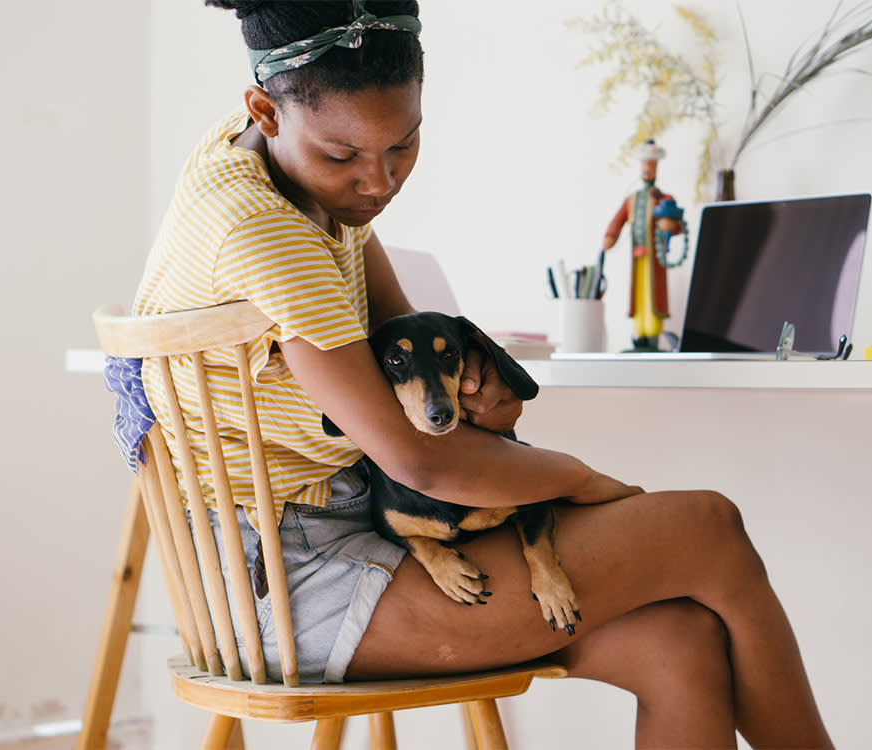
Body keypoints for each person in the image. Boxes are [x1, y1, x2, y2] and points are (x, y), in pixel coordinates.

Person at [131, 2, 834, 747]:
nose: (379, 183)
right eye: (345, 155)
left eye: (403, 145)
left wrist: (478, 395)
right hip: (284, 581)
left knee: (679, 644)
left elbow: (409, 333)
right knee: (705, 525)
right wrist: (581, 480)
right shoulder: (266, 231)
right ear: (264, 110)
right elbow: (418, 460)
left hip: (358, 527)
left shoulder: (282, 172)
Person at [603, 139, 683, 352]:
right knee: (638, 298)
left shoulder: (664, 198)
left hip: (656, 258)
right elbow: (618, 220)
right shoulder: (633, 199)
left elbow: (678, 224)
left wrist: (670, 225)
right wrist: (611, 235)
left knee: (654, 296)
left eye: (651, 165)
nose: (647, 169)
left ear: (656, 167)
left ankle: (653, 337)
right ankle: (640, 335)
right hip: (637, 257)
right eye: (644, 165)